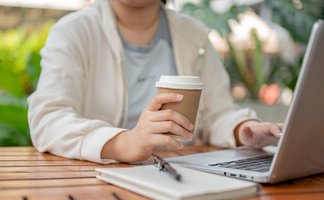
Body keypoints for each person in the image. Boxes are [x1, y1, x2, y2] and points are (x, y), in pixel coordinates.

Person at [27, 0, 283, 164]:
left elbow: (216, 114)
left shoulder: (196, 36)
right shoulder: (73, 32)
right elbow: (47, 118)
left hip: (182, 175)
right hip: (92, 181)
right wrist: (124, 143)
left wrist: (244, 129)